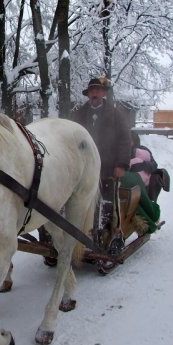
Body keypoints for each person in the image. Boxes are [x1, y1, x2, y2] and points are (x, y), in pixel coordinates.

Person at [71, 76, 132, 245]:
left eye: (98, 90)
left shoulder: (115, 114)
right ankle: (82, 232)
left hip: (108, 167)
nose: (95, 93)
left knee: (110, 202)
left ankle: (115, 233)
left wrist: (121, 164)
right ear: (88, 94)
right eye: (92, 91)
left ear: (103, 93)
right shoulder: (79, 114)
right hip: (84, 168)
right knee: (83, 201)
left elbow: (124, 140)